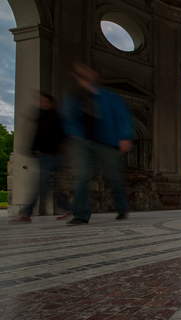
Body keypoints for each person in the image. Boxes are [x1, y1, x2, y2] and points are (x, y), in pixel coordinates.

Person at [64, 62, 133, 225]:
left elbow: (123, 117)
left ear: (94, 75)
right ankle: (81, 214)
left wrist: (125, 136)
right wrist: (74, 135)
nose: (83, 76)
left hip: (107, 142)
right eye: (79, 73)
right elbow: (68, 119)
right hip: (83, 142)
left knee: (114, 177)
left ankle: (122, 207)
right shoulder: (73, 98)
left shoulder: (110, 97)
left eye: (85, 71)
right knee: (82, 176)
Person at [11, 92, 70, 223]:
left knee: (40, 185)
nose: (41, 103)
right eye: (40, 101)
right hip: (43, 156)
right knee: (50, 185)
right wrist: (31, 149)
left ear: (50, 102)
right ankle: (70, 208)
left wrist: (58, 152)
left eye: (44, 101)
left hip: (53, 156)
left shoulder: (56, 117)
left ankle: (26, 214)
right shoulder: (40, 116)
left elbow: (63, 137)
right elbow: (37, 135)